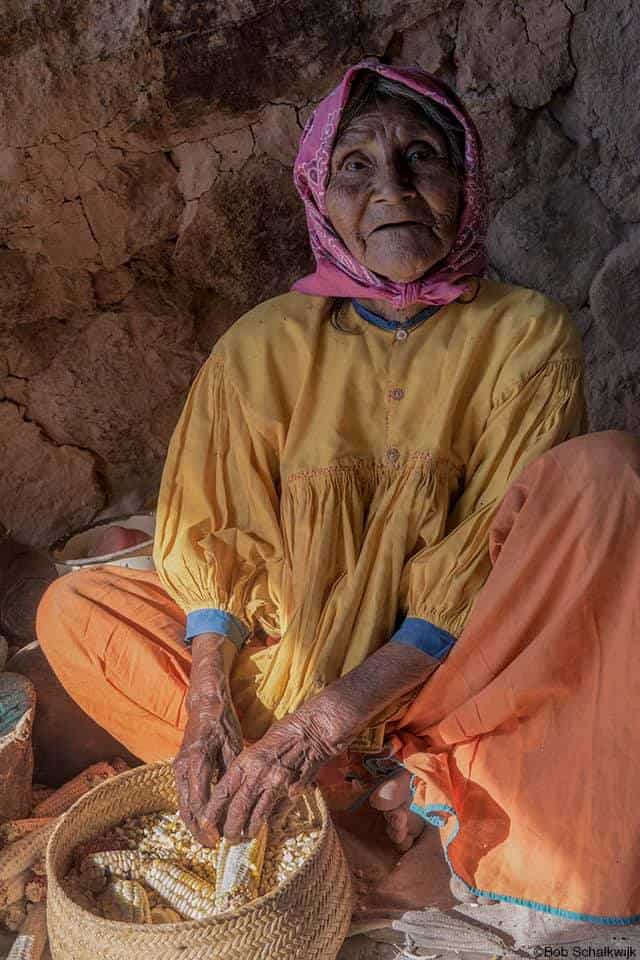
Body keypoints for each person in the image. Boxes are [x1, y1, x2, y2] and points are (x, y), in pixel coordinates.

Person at [37, 58, 640, 924]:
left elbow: (479, 571)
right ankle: (345, 796)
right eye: (355, 167)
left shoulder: (524, 335)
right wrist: (210, 705)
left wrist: (324, 722)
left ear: (465, 183)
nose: (391, 187)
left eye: (421, 158)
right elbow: (218, 540)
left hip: (449, 675)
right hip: (290, 661)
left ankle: (401, 787)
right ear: (321, 196)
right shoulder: (262, 345)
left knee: (606, 476)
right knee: (75, 612)